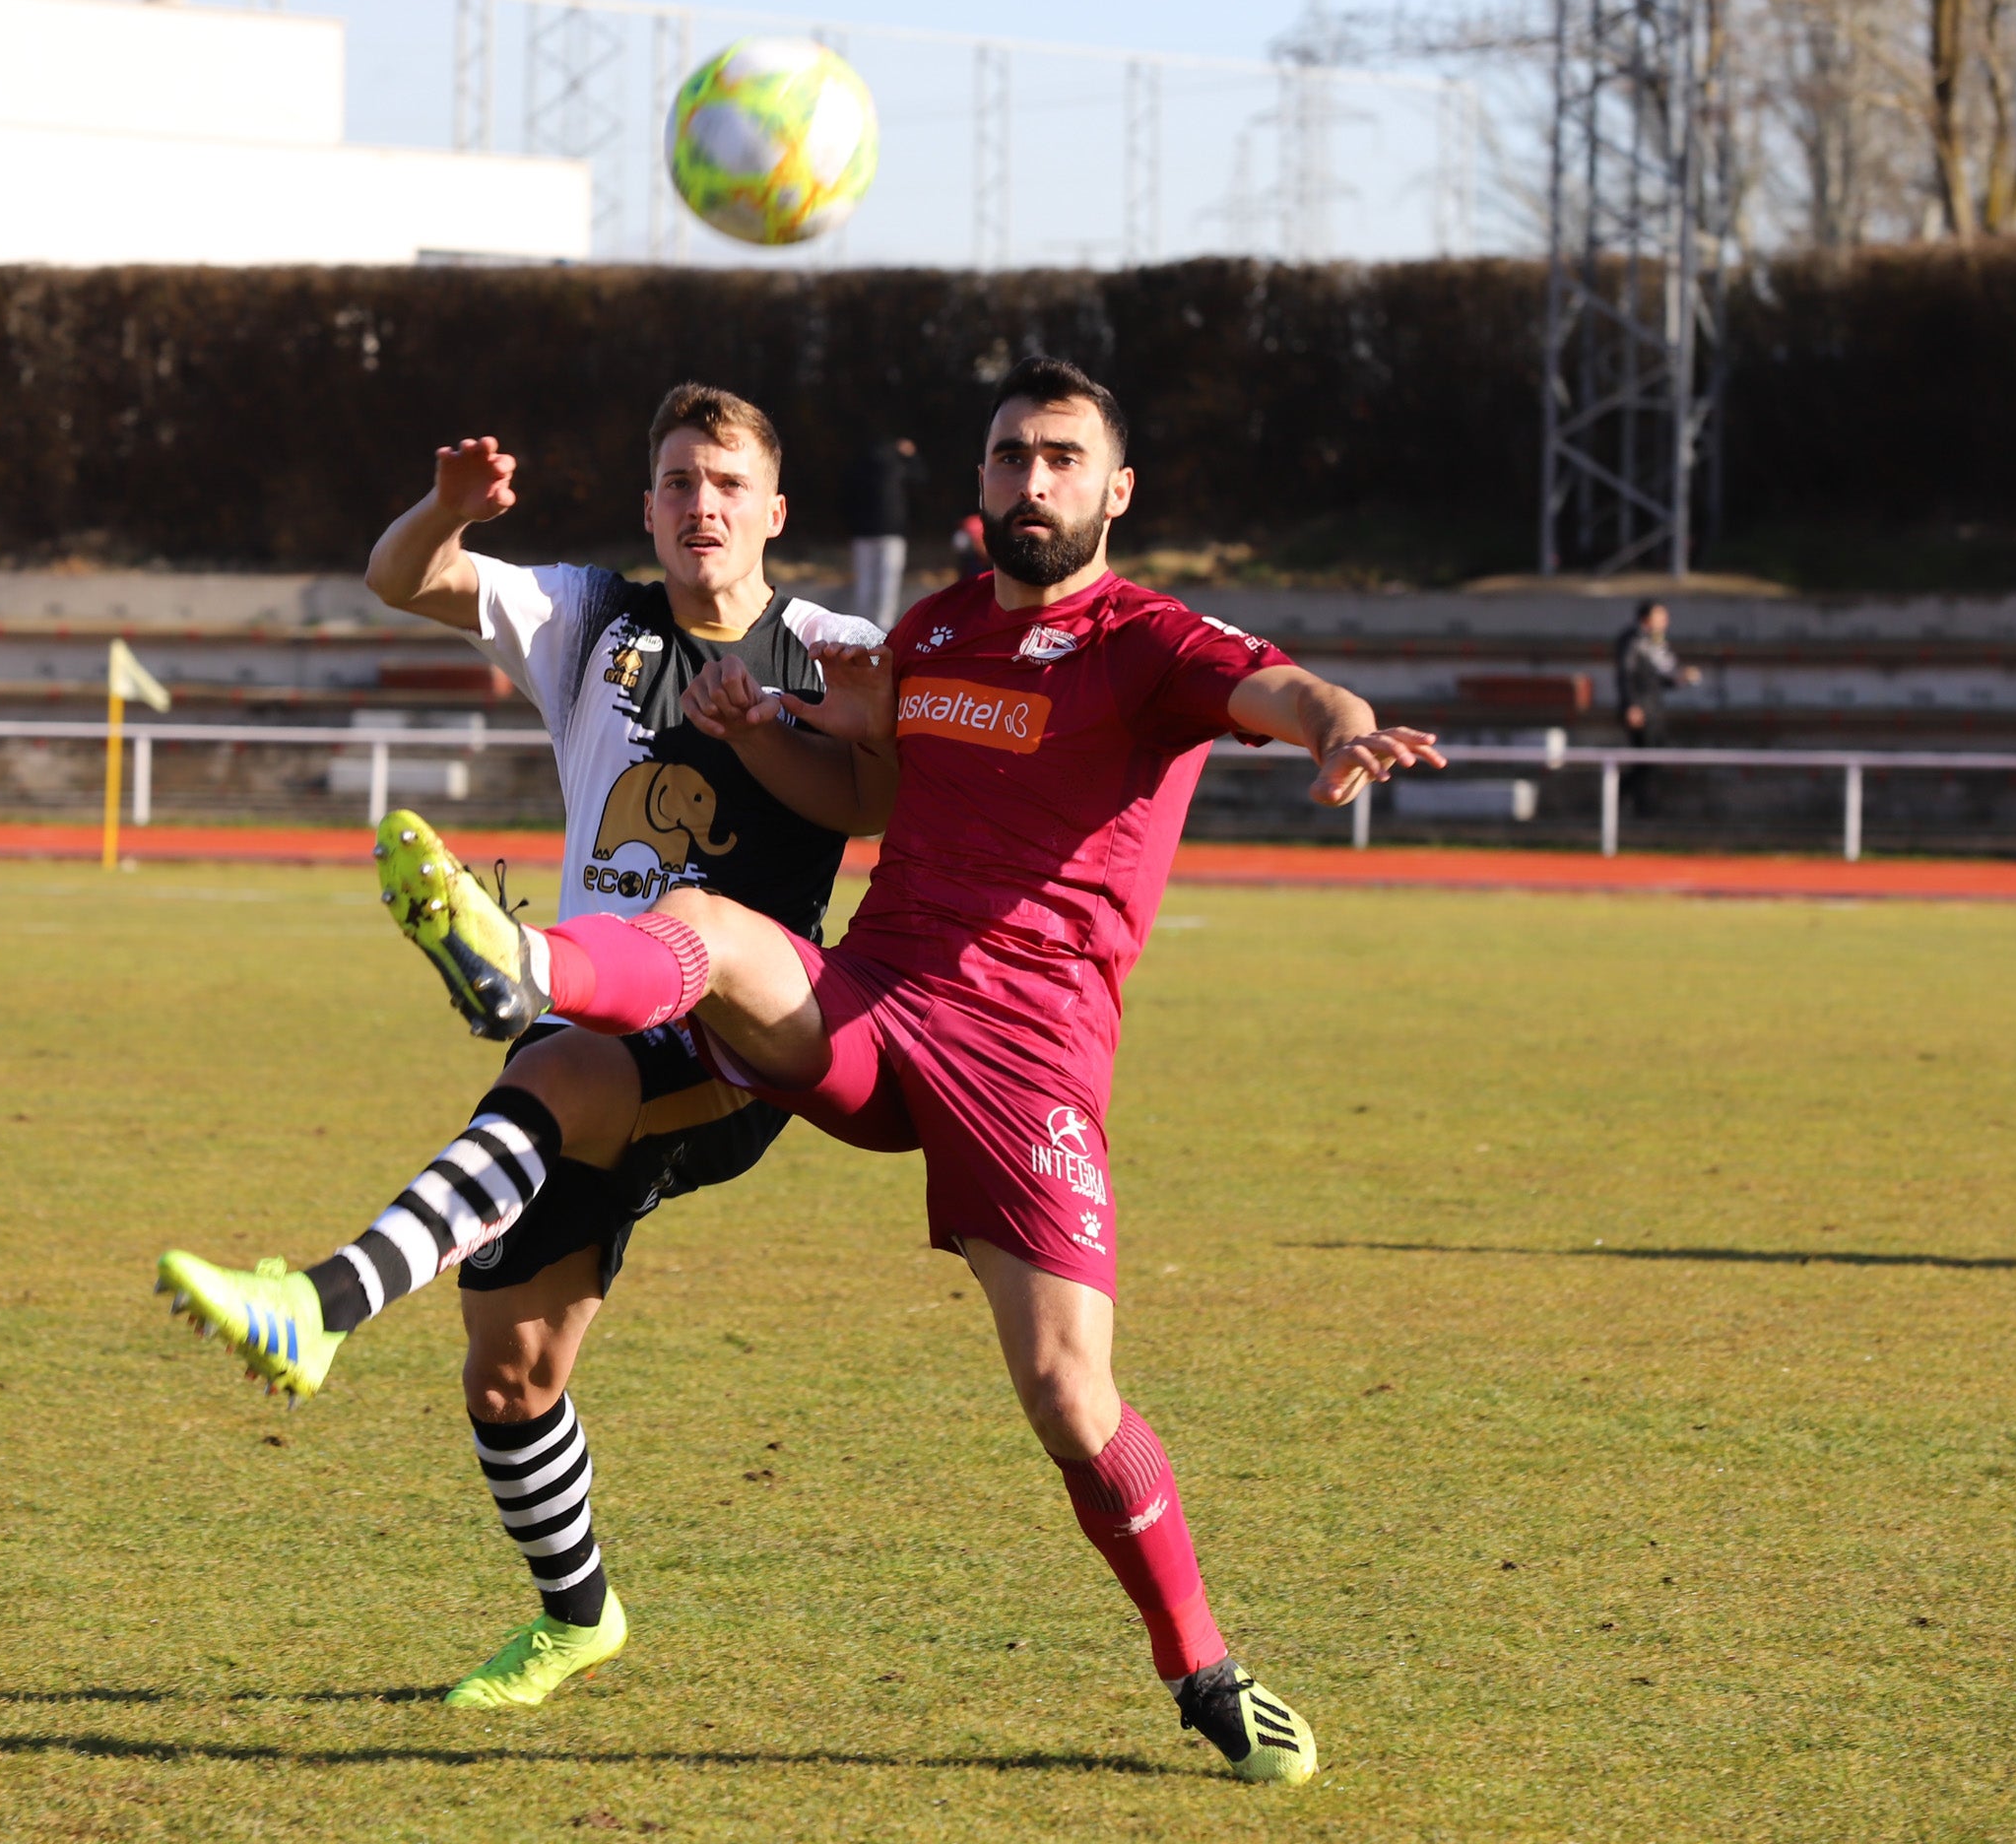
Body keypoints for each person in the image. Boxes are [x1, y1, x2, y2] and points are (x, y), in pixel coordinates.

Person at [369, 356, 1443, 1786]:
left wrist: (1341, 728)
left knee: (1070, 1398)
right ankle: (528, 967)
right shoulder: (928, 635)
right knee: (704, 926)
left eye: (1061, 459)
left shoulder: (1152, 642)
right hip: (876, 1010)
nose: (1031, 482)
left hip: (1029, 1071)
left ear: (1114, 492)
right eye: (1008, 458)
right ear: (980, 485)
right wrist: (771, 741)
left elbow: (1279, 688)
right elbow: (861, 789)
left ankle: (1201, 1668)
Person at [152, 383, 882, 1709]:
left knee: (549, 1067)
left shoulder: (831, 644)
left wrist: (775, 722)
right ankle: (579, 1615)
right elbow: (397, 578)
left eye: (724, 484)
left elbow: (888, 772)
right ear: (646, 506)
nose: (698, 505)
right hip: (585, 1023)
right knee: (509, 1378)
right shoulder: (590, 614)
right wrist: (449, 508)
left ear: (775, 512)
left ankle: (319, 1303)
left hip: (726, 1038)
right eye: (674, 482)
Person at [1614, 598, 1701, 815]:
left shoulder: (1656, 642)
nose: (1665, 620)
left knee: (1652, 761)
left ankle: (1637, 806)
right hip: (1640, 709)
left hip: (1654, 709)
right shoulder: (1632, 640)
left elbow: (1663, 676)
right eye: (1660, 615)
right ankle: (1629, 804)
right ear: (1646, 618)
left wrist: (1682, 678)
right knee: (1646, 761)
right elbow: (1625, 675)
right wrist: (1631, 706)